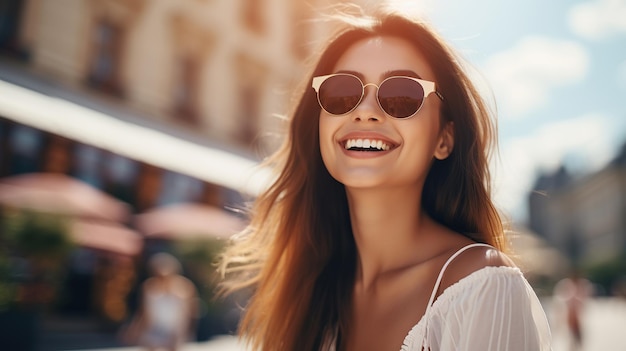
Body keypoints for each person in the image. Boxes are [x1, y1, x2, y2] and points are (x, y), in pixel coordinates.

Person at [218, 4, 552, 351]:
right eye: (342, 92)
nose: (364, 111)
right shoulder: (311, 288)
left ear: (444, 138)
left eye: (402, 94)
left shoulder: (482, 286)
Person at [122, 252, 198, 351]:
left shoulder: (185, 287)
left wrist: (186, 332)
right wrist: (134, 329)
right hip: (154, 329)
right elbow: (143, 312)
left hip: (175, 330)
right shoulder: (148, 287)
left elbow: (191, 311)